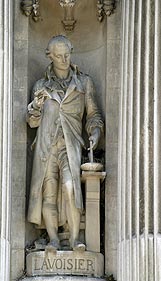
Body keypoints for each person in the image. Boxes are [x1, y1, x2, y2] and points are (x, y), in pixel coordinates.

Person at [27, 35, 103, 251]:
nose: (63, 60)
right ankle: (52, 239)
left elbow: (93, 114)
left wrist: (95, 131)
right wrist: (35, 107)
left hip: (71, 145)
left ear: (71, 51)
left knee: (70, 188)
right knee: (48, 192)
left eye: (67, 55)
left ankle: (75, 239)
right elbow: (32, 122)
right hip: (46, 147)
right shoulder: (41, 86)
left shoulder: (83, 83)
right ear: (49, 56)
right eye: (58, 56)